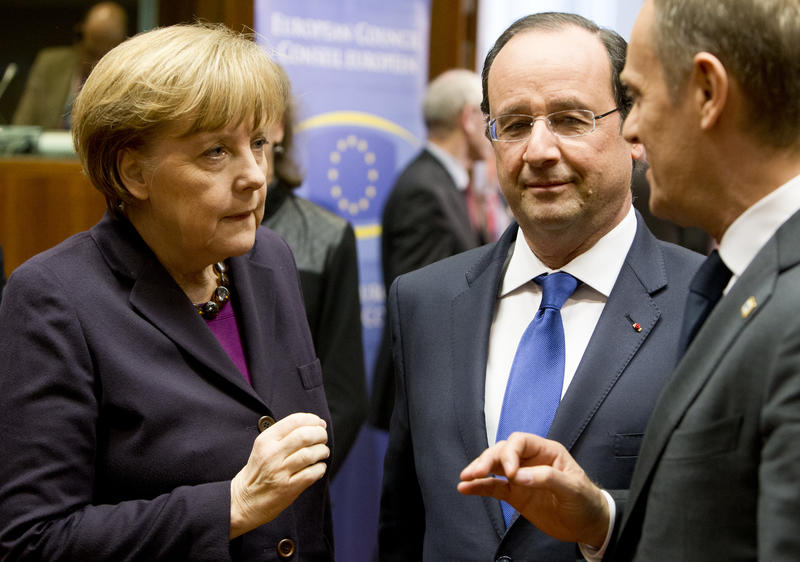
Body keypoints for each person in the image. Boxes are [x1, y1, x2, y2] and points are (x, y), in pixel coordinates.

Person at [459, 0, 800, 559]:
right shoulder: (748, 279)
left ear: (709, 93)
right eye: (516, 124)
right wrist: (603, 519)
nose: (634, 130)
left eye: (636, 99)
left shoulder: (772, 301)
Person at [0, 24, 333, 560]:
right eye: (216, 152)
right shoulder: (53, 298)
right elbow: (34, 541)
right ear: (134, 172)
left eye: (258, 144)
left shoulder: (270, 257)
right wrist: (232, 505)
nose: (254, 176)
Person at [379, 12, 703, 561]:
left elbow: (731, 527)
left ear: (632, 127)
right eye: (514, 123)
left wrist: (603, 523)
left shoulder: (708, 305)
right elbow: (404, 527)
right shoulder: (424, 302)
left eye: (571, 119)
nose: (538, 151)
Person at [369, 68, 488, 430]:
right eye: (488, 114)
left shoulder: (446, 184)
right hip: (427, 397)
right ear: (468, 118)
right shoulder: (424, 190)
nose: (493, 127)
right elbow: (424, 307)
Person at [262, 86, 368, 478]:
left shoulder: (326, 236)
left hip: (296, 484)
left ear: (277, 129)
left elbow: (344, 395)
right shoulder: (186, 234)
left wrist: (297, 484)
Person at [12, 1, 128, 129]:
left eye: (105, 57)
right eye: (91, 53)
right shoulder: (50, 65)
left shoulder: (128, 79)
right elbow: (21, 127)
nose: (96, 65)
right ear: (80, 36)